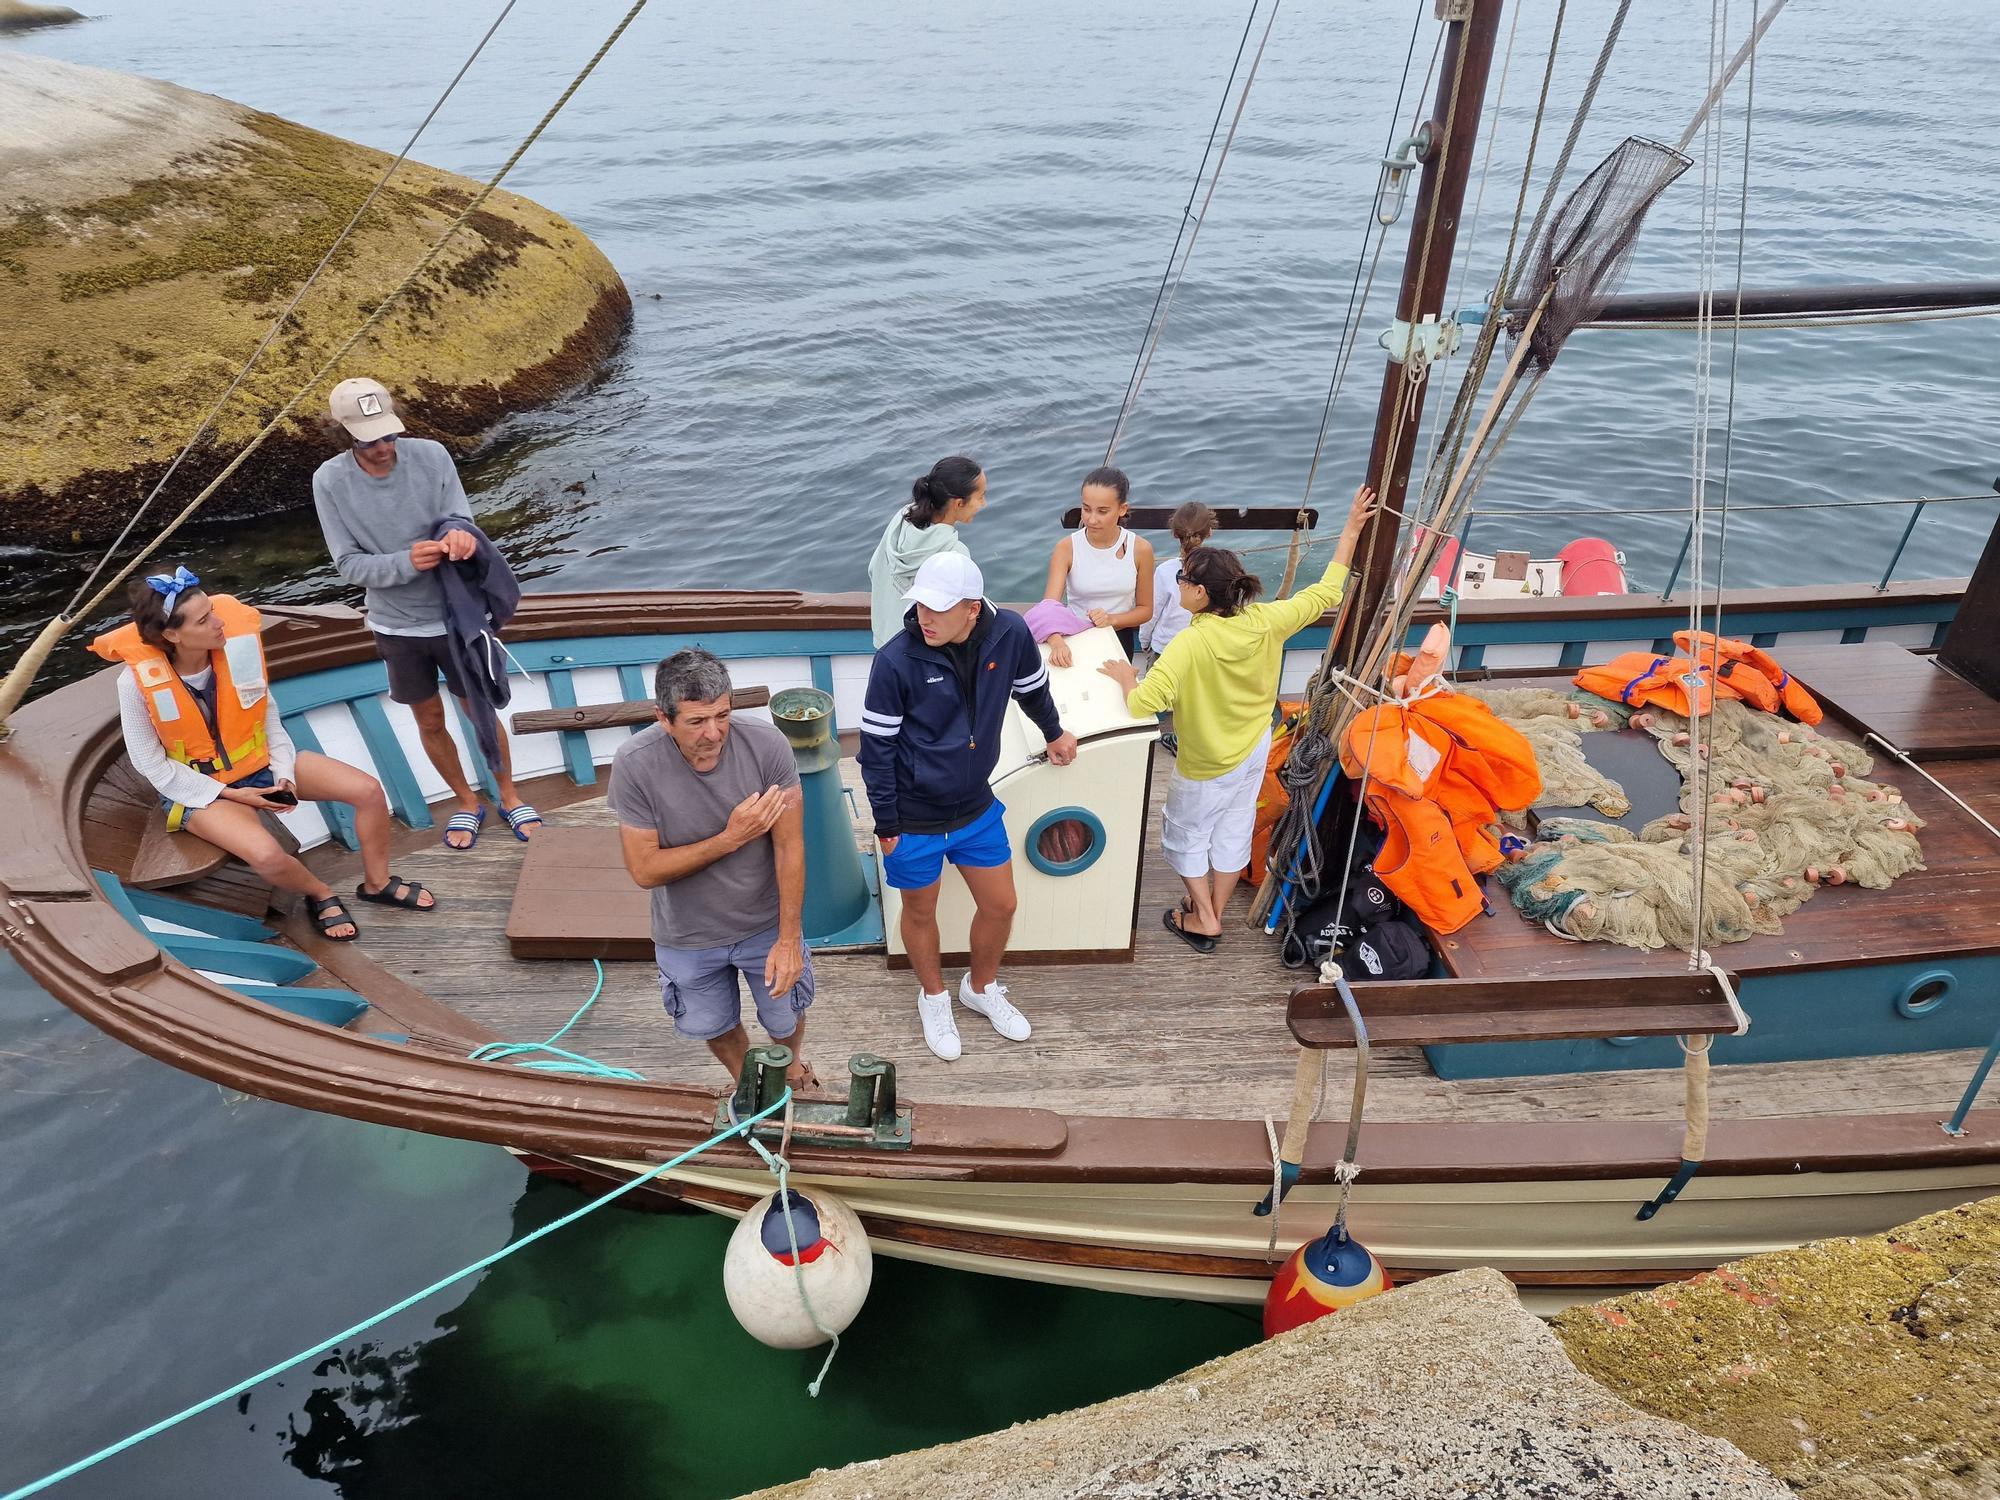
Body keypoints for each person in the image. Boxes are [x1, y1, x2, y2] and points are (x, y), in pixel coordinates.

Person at [1099, 484, 1376, 952]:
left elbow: (1144, 703)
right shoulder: (1267, 620)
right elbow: (1329, 590)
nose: (1179, 584)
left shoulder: (1190, 643)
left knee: (1186, 835)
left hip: (1206, 761)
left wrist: (1127, 677)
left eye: (1184, 580)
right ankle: (1215, 910)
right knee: (1232, 829)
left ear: (1201, 593)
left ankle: (1204, 917)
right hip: (1254, 748)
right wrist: (1350, 529)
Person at [90, 567, 434, 942]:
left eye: (214, 612)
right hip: (203, 789)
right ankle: (320, 893)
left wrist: (283, 772)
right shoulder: (135, 684)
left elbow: (268, 721)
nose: (220, 623)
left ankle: (377, 882)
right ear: (172, 635)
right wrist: (233, 794)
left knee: (367, 791)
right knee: (268, 856)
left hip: (261, 764)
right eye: (205, 620)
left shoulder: (236, 652)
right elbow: (149, 763)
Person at [860, 552, 1079, 1060]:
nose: (924, 618)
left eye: (938, 608)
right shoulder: (895, 661)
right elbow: (876, 750)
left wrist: (1054, 733)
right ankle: (933, 996)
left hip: (976, 806)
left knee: (1001, 904)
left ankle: (979, 989)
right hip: (912, 816)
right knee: (920, 910)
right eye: (919, 606)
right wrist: (887, 822)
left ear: (974, 608)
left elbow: (1033, 689)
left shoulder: (1011, 634)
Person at [311, 376, 542, 850]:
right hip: (396, 627)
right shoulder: (329, 481)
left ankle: (509, 794)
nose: (383, 447)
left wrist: (460, 535)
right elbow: (348, 564)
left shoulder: (433, 455)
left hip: (456, 619)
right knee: (430, 721)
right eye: (369, 439)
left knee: (478, 711)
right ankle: (465, 802)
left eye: (390, 435)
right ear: (343, 435)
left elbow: (462, 519)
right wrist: (404, 562)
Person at [609, 648, 815, 1089]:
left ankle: (792, 1064)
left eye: (723, 715)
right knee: (712, 1024)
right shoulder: (634, 764)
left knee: (786, 1013)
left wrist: (788, 938)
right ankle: (749, 1081)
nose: (715, 732)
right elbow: (644, 870)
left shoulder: (767, 745)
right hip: (686, 932)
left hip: (764, 922)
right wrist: (732, 837)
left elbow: (790, 846)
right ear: (663, 718)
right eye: (697, 721)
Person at [867, 456, 987, 647]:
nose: (984, 504)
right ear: (958, 504)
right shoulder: (955, 554)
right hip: (921, 655)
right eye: (980, 497)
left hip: (884, 642)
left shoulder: (901, 518)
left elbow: (874, 569)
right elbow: (959, 616)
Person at [1042, 467, 1154, 667]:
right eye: (1086, 509)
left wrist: (1111, 619)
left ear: (1122, 509)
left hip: (1118, 637)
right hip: (1074, 637)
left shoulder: (1141, 549)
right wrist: (1056, 641)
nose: (1092, 519)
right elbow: (1049, 607)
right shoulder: (1066, 548)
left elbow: (1145, 610)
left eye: (1102, 511)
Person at [1140, 500, 1217, 662]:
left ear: (1175, 533)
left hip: (1165, 649)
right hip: (1202, 649)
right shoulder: (1218, 568)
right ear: (1209, 532)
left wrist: (1145, 641)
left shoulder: (1164, 571)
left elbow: (1151, 613)